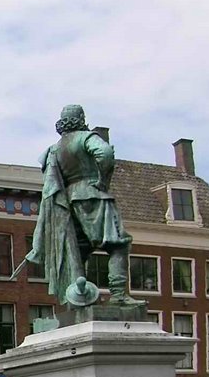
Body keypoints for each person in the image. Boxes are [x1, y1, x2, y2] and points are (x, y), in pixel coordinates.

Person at [24, 105, 137, 306]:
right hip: (93, 194)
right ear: (82, 118)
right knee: (117, 244)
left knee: (79, 251)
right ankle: (118, 294)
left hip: (67, 203)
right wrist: (102, 180)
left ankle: (78, 298)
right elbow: (105, 154)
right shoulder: (86, 137)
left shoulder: (55, 149)